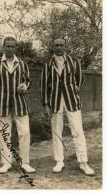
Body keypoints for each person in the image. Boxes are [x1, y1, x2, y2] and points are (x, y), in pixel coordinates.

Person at [0, 36, 36, 174]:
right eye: (8, 46)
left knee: (25, 133)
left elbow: (28, 80)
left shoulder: (22, 64)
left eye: (12, 46)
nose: (10, 48)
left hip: (20, 104)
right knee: (5, 133)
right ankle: (6, 163)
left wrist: (24, 86)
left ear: (16, 48)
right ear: (3, 47)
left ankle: (25, 162)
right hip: (2, 104)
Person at [41, 38, 94, 175]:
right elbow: (44, 86)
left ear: (66, 47)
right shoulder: (48, 65)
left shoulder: (74, 62)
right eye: (56, 45)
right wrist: (46, 104)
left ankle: (83, 162)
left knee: (77, 130)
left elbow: (80, 79)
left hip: (72, 100)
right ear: (53, 47)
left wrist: (74, 90)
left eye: (61, 45)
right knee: (56, 131)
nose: (59, 47)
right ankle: (59, 161)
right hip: (55, 101)